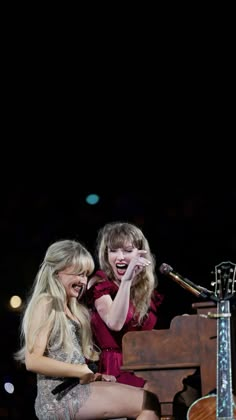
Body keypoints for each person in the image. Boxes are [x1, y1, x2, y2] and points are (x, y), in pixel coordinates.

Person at [14, 239, 161, 420]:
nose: (83, 280)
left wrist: (93, 376)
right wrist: (80, 371)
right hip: (59, 398)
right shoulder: (46, 302)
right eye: (78, 274)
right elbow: (33, 361)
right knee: (148, 403)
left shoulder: (73, 308)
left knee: (148, 398)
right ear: (56, 272)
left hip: (77, 388)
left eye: (85, 275)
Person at [87, 222, 164, 390]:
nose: (120, 257)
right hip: (113, 369)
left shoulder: (144, 291)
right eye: (113, 250)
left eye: (128, 251)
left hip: (143, 367)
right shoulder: (100, 283)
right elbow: (115, 323)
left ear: (141, 254)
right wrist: (126, 281)